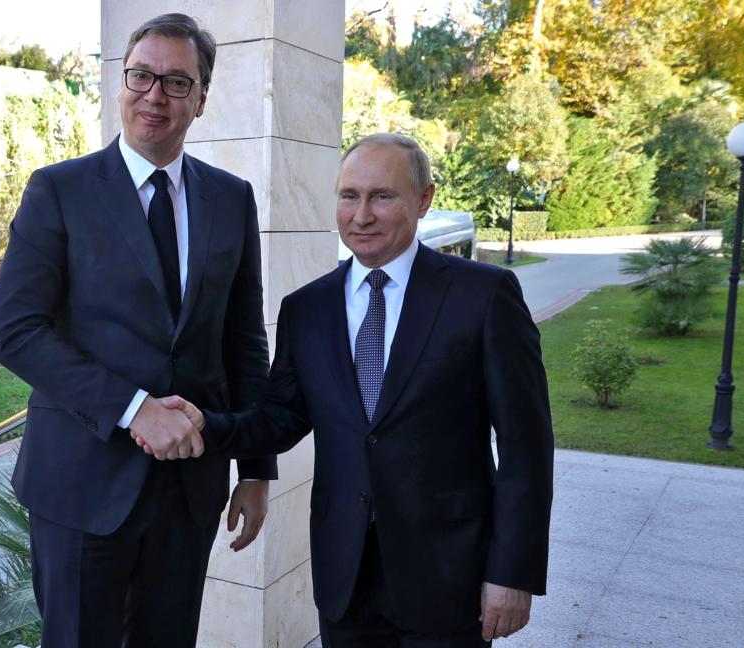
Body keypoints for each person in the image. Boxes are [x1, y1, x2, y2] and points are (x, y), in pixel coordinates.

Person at [141, 133, 554, 647]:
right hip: (346, 577)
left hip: (449, 576)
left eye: (383, 196)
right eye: (348, 196)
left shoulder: (484, 297)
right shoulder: (307, 309)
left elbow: (526, 447)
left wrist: (512, 572)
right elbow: (280, 419)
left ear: (423, 199)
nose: (362, 215)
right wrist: (211, 424)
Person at [0, 13, 275, 648]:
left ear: (201, 100)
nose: (155, 95)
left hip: (189, 489)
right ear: (120, 84)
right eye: (141, 76)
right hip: (81, 486)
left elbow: (243, 344)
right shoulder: (58, 191)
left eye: (177, 82)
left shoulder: (232, 199)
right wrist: (133, 408)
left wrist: (256, 467)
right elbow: (16, 331)